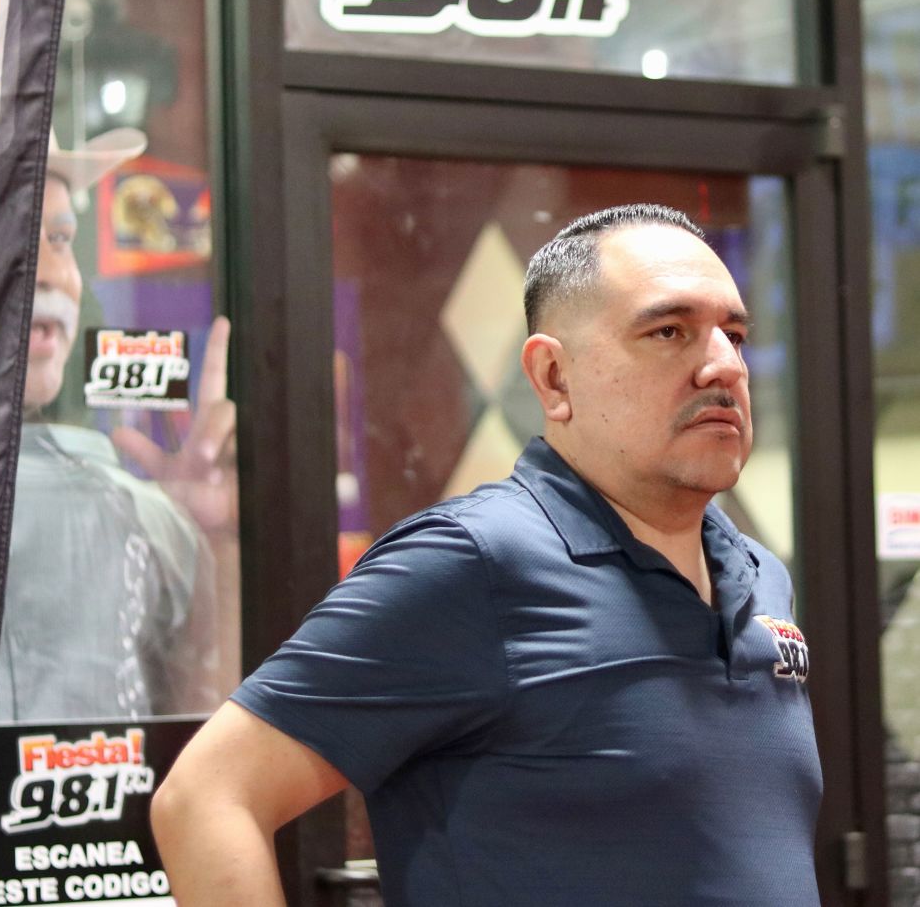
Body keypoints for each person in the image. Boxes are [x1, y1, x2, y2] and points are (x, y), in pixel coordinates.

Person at [149, 204, 822, 906]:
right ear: (554, 379)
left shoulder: (758, 575)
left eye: (734, 334)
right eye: (669, 331)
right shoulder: (472, 563)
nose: (722, 365)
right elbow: (205, 799)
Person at [0, 131, 238, 723]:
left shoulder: (128, 513)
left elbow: (209, 730)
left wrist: (198, 540)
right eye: (7, 236)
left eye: (58, 239)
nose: (51, 273)